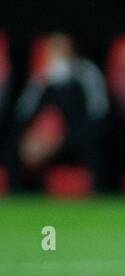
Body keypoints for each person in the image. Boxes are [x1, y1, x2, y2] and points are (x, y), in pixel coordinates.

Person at [11, 33, 108, 189]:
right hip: (43, 146)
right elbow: (23, 114)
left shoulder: (88, 73)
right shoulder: (41, 76)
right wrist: (34, 141)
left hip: (77, 144)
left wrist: (62, 142)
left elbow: (98, 117)